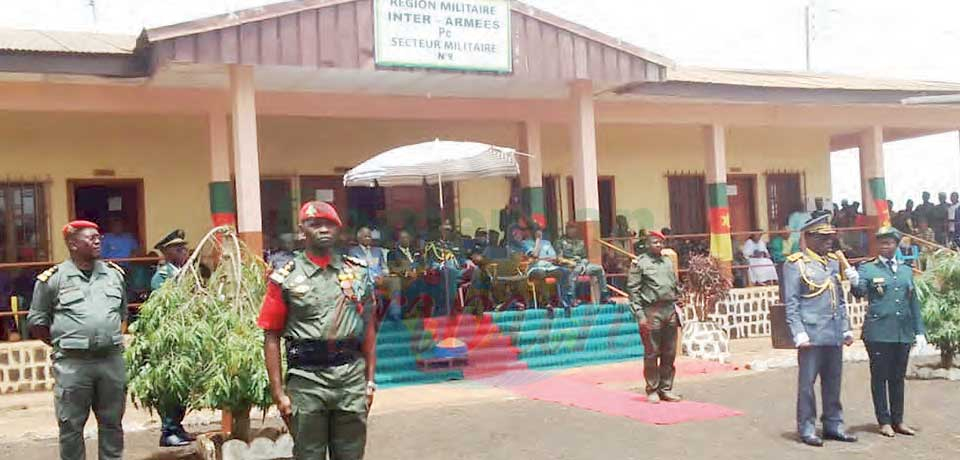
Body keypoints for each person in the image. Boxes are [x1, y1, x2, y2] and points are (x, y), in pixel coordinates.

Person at [258, 201, 377, 460]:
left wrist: (369, 382)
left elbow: (368, 328)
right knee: (308, 454)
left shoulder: (356, 273)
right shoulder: (285, 277)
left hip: (350, 379)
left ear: (339, 230)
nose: (323, 230)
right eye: (315, 225)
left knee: (351, 454)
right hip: (306, 381)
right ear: (302, 231)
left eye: (330, 224)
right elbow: (271, 335)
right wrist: (278, 393)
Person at [27, 220, 127, 460]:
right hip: (73, 363)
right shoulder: (53, 279)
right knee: (70, 425)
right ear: (72, 244)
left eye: (98, 237)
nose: (97, 241)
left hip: (110, 360)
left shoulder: (114, 275)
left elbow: (122, 314)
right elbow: (37, 322)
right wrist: (66, 342)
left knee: (112, 423)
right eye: (90, 238)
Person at [783, 214, 859, 447]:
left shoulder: (833, 263)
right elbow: (792, 302)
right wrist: (799, 333)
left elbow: (840, 299)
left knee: (833, 382)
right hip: (811, 334)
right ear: (809, 238)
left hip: (833, 332)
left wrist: (845, 328)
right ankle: (806, 427)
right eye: (823, 238)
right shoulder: (795, 264)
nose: (829, 242)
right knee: (807, 385)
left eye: (830, 237)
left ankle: (833, 425)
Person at [854, 227, 927, 438]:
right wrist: (854, 281)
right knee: (879, 377)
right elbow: (859, 292)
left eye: (890, 243)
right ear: (878, 246)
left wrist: (919, 331)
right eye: (882, 243)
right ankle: (883, 421)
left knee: (898, 377)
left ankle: (899, 420)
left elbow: (913, 302)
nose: (886, 247)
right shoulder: (867, 269)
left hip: (902, 333)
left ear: (896, 245)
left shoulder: (905, 270)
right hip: (877, 333)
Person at [148, 229, 195, 447]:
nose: (184, 252)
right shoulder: (162, 277)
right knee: (170, 387)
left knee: (183, 385)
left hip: (185, 335)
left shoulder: (185, 272)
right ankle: (168, 430)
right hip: (171, 341)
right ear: (166, 253)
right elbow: (167, 307)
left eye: (184, 248)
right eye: (178, 249)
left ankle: (178, 425)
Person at [626, 231, 681, 404]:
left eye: (660, 243)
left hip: (669, 310)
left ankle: (666, 389)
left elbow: (674, 284)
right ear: (647, 244)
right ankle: (652, 389)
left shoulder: (666, 261)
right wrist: (640, 315)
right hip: (651, 311)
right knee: (652, 353)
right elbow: (633, 291)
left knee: (669, 352)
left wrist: (679, 299)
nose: (658, 245)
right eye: (655, 242)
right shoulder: (640, 263)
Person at [557, 221, 610, 303]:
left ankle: (604, 295)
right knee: (573, 272)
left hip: (582, 266)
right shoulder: (560, 242)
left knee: (599, 269)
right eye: (569, 228)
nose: (571, 230)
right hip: (569, 266)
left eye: (573, 228)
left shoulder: (580, 242)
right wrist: (569, 262)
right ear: (566, 229)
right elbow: (559, 259)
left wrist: (583, 265)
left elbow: (585, 257)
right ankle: (571, 298)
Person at [522, 228, 573, 312]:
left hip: (549, 267)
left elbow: (553, 257)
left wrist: (549, 259)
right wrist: (538, 240)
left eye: (539, 231)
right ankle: (546, 302)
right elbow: (535, 255)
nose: (538, 233)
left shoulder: (546, 243)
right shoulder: (526, 243)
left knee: (564, 272)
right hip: (534, 269)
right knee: (541, 273)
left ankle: (563, 300)